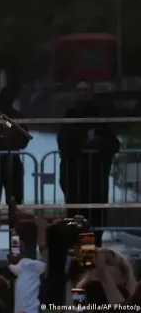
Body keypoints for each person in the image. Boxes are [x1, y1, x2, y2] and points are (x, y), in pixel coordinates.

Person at [57, 81, 119, 246]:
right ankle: (76, 246)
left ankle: (94, 245)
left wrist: (98, 143)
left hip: (96, 176)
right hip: (75, 175)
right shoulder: (70, 114)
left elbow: (113, 142)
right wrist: (81, 142)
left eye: (86, 90)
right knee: (76, 213)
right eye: (79, 90)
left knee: (96, 214)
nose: (82, 93)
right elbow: (63, 141)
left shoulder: (100, 115)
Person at [0, 86, 30, 245]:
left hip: (11, 163)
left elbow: (24, 140)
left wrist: (8, 140)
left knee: (14, 207)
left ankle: (14, 244)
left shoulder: (15, 117)